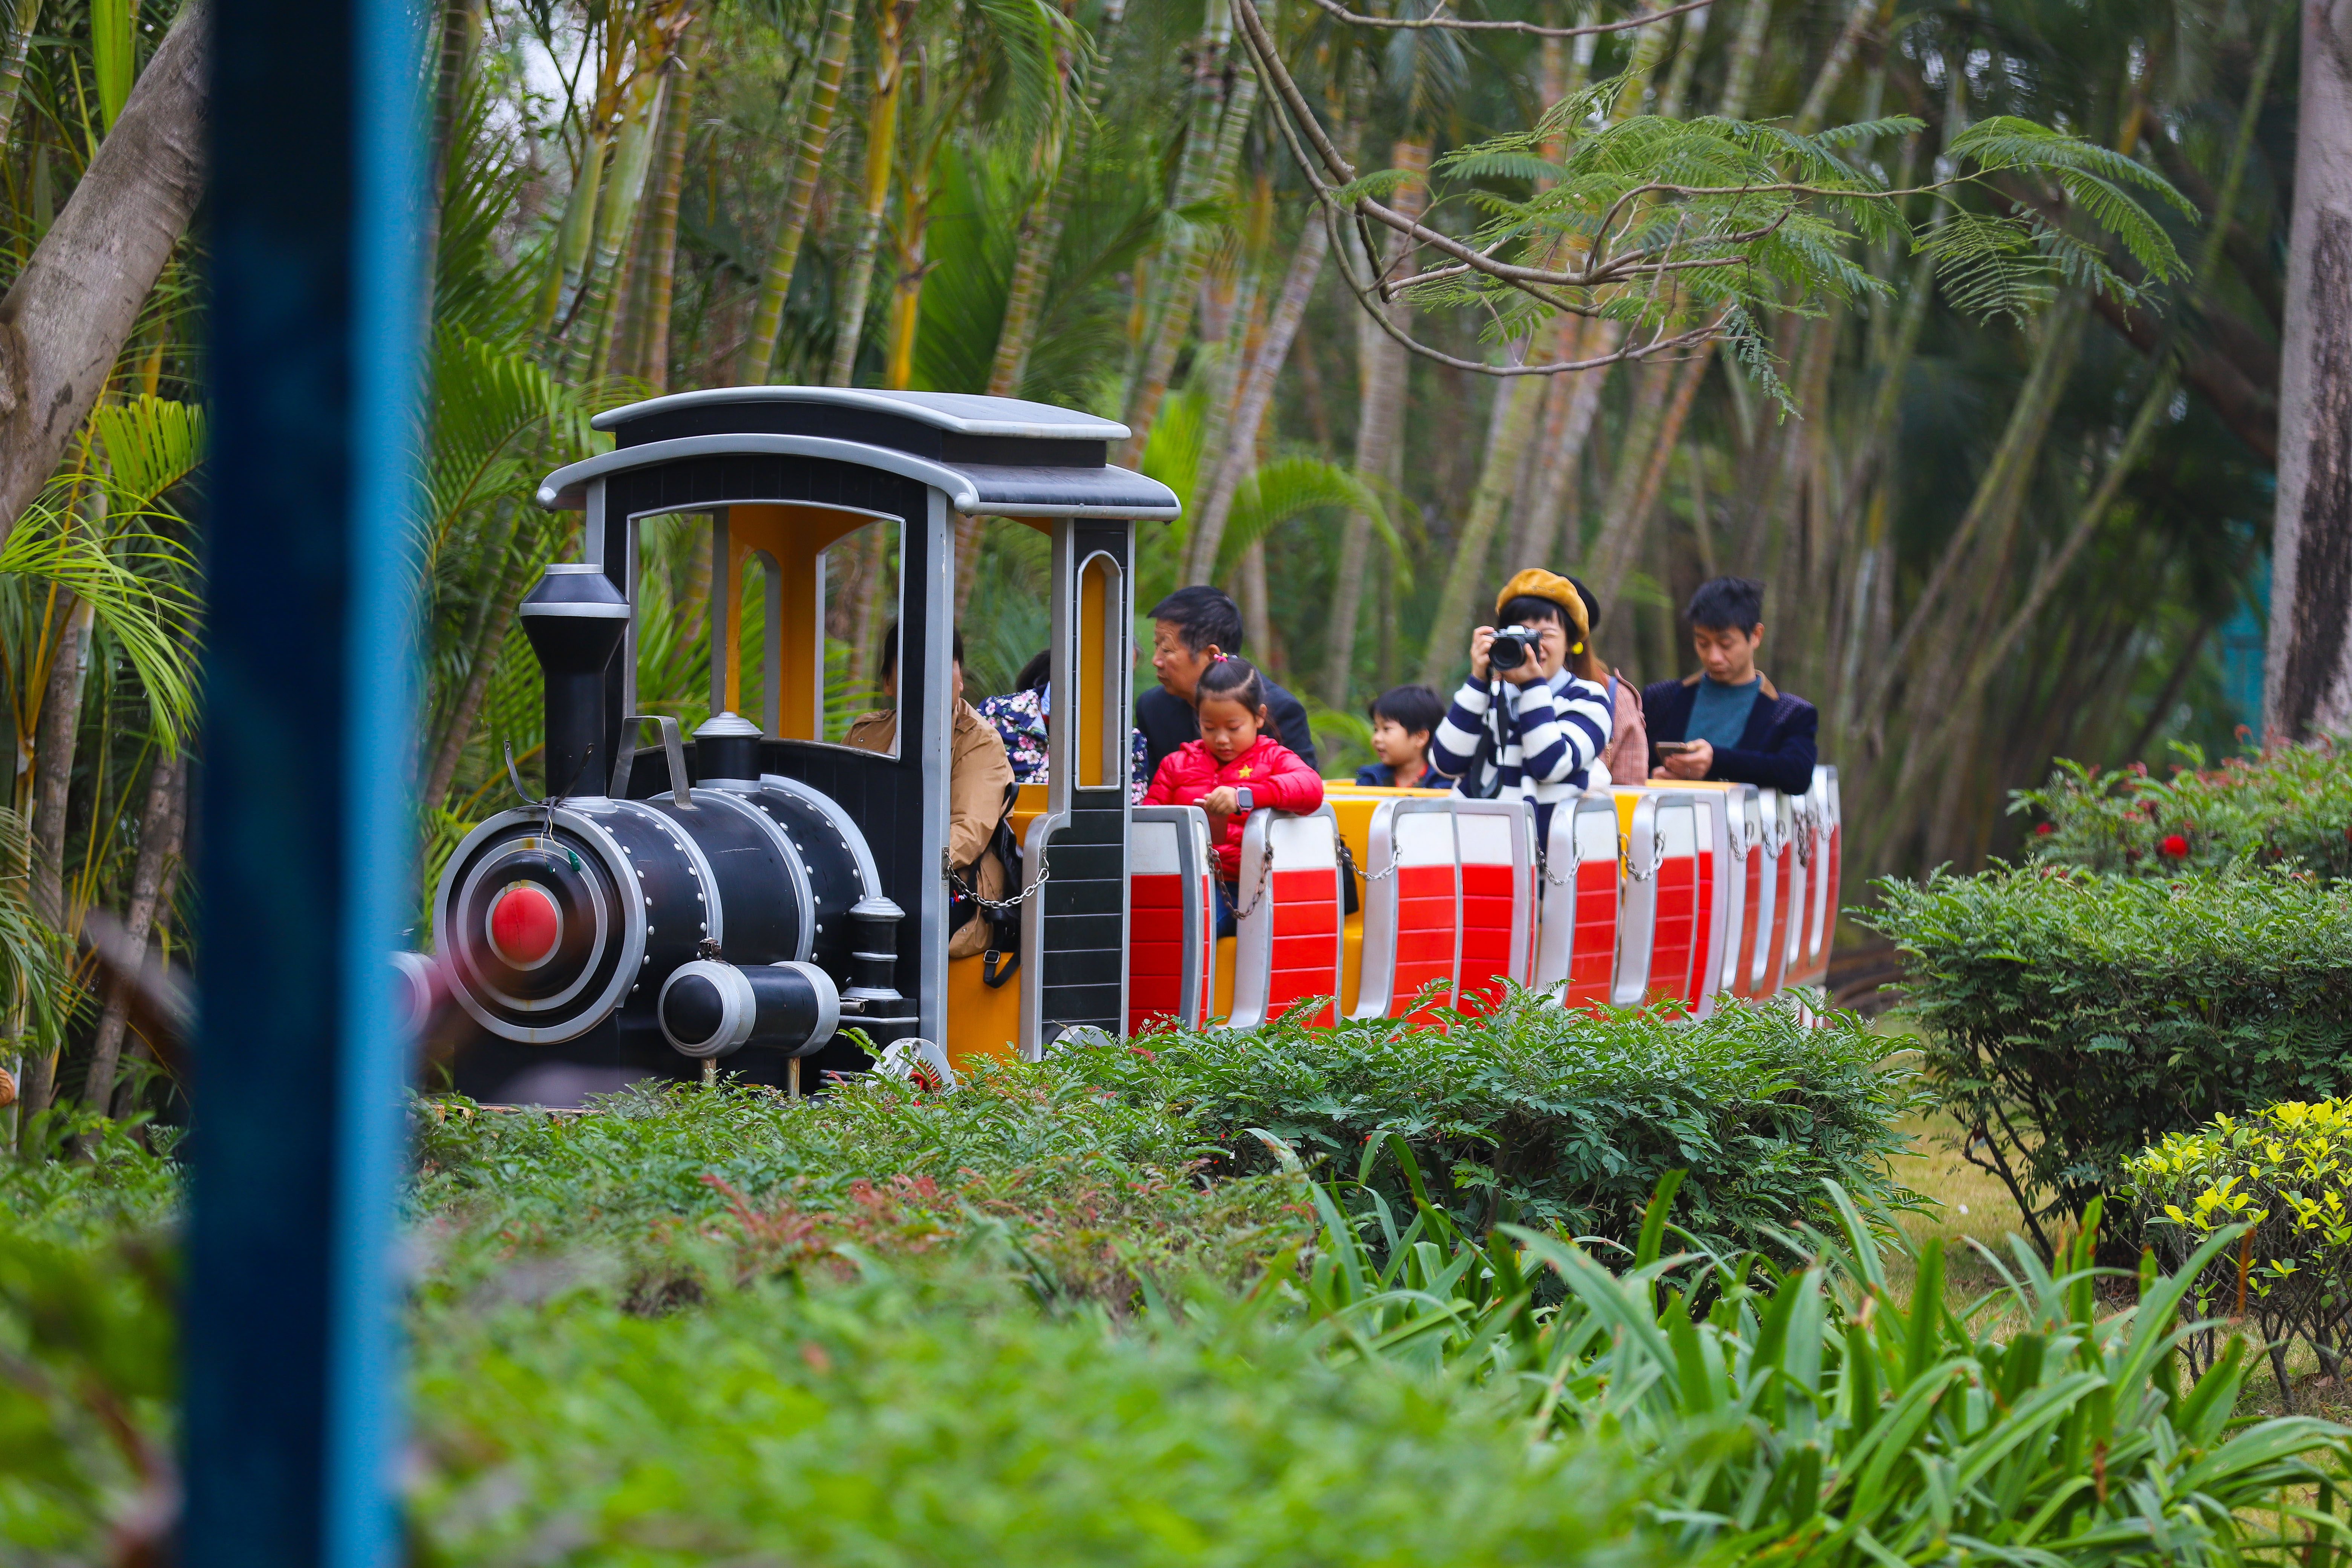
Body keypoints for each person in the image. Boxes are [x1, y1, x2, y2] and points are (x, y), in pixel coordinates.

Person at [844, 623, 1016, 958]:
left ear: (960, 677)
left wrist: (895, 868)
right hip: (863, 880)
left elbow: (969, 831)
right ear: (889, 682)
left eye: (945, 662)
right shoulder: (866, 732)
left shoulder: (978, 741)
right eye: (914, 661)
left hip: (946, 887)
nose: (931, 673)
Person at [1427, 568, 1614, 847]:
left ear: (1571, 644)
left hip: (1554, 864)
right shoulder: (1486, 695)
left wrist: (1532, 686)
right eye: (1522, 634)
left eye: (1545, 635)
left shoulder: (1588, 698)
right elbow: (1446, 761)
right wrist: (1478, 679)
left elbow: (1549, 765)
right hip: (1478, 855)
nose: (1533, 646)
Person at [1142, 655, 1325, 936]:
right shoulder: (1176, 764)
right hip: (1188, 884)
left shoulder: (1275, 758)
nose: (1222, 739)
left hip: (1253, 890)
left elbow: (1311, 787)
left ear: (1259, 717)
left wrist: (1245, 797)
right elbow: (1150, 823)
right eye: (1210, 727)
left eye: (1233, 727)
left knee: (1192, 928)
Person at [1642, 576, 1818, 795]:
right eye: (1703, 643)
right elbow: (1628, 764)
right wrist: (1651, 778)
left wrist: (1715, 761)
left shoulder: (1791, 713)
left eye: (1726, 645)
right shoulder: (1660, 699)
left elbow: (1797, 774)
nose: (1714, 657)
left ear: (1755, 635)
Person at [1136, 585, 1320, 780]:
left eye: (1167, 650)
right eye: (1157, 646)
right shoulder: (1153, 709)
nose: (1156, 661)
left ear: (1212, 655)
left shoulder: (1281, 712)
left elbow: (1303, 792)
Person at [974, 648, 1152, 804]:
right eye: (1098, 665)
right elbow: (965, 792)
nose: (1109, 681)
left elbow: (1123, 821)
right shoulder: (997, 714)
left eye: (1122, 675)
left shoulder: (1127, 742)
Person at [1564, 574, 1651, 786]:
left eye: (1547, 631)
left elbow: (1630, 793)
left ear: (1573, 641)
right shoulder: (1496, 692)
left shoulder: (1615, 698)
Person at [1356, 683, 1446, 788]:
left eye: (1387, 729)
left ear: (1420, 737)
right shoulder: (1371, 780)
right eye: (1376, 730)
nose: (1376, 739)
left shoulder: (1443, 782)